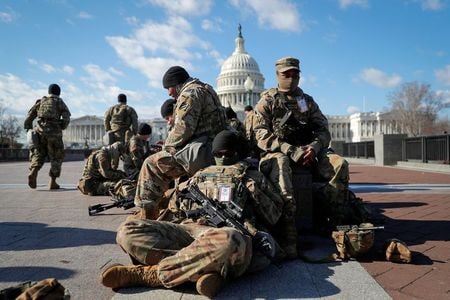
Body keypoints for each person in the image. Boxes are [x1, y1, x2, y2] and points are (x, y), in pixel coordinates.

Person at [100, 130, 284, 298]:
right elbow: (174, 207)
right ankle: (202, 272)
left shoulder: (251, 177)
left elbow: (273, 216)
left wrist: (254, 191)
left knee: (230, 239)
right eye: (218, 155)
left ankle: (150, 274)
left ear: (237, 154)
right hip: (189, 231)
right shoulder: (198, 176)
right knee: (127, 230)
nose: (222, 159)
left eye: (227, 154)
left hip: (223, 237)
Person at [253, 57, 349, 258]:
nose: (291, 77)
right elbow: (260, 134)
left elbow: (323, 129)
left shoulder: (306, 101)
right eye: (286, 74)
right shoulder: (267, 101)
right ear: (278, 75)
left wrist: (314, 147)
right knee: (281, 163)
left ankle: (334, 222)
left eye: (295, 73)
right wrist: (289, 149)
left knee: (339, 164)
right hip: (278, 152)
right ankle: (289, 233)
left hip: (308, 152)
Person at [134, 65, 227, 219]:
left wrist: (166, 147)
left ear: (175, 84)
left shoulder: (189, 93)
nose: (169, 93)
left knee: (150, 164)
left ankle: (147, 218)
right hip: (212, 147)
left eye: (168, 88)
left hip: (204, 152)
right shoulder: (206, 89)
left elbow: (183, 130)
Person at [24, 83, 71, 190]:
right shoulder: (59, 102)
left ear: (48, 92)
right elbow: (66, 117)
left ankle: (34, 171)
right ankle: (52, 182)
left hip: (40, 131)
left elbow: (29, 116)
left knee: (38, 154)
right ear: (59, 93)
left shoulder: (41, 101)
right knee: (57, 157)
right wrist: (62, 126)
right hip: (54, 133)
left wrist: (29, 128)